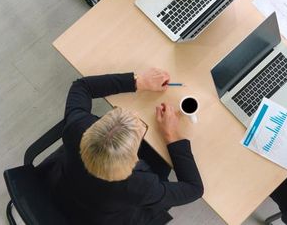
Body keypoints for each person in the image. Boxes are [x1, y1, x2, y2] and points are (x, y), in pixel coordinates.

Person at [54, 68, 203, 224]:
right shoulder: (140, 186)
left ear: (92, 127)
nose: (137, 117)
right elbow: (194, 188)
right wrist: (170, 135)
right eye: (139, 134)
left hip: (68, 185)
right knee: (158, 156)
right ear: (134, 160)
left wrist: (138, 81)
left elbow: (81, 86)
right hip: (103, 217)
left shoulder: (77, 128)